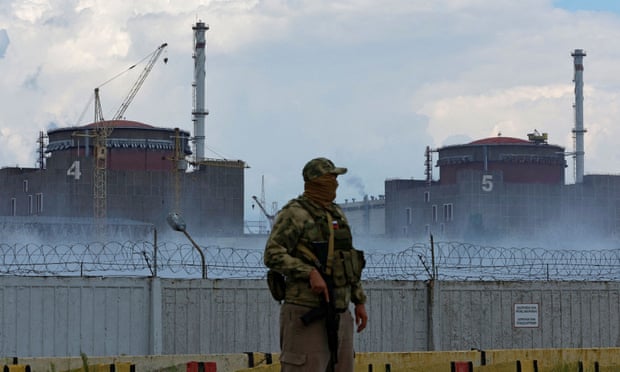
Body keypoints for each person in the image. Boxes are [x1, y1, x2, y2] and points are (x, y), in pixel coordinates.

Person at [264, 157, 368, 372]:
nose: (335, 183)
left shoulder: (336, 214)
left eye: (336, 178)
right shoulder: (294, 214)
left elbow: (348, 260)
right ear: (316, 181)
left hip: (340, 311)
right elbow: (272, 254)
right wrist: (309, 272)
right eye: (330, 177)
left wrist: (358, 301)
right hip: (306, 312)